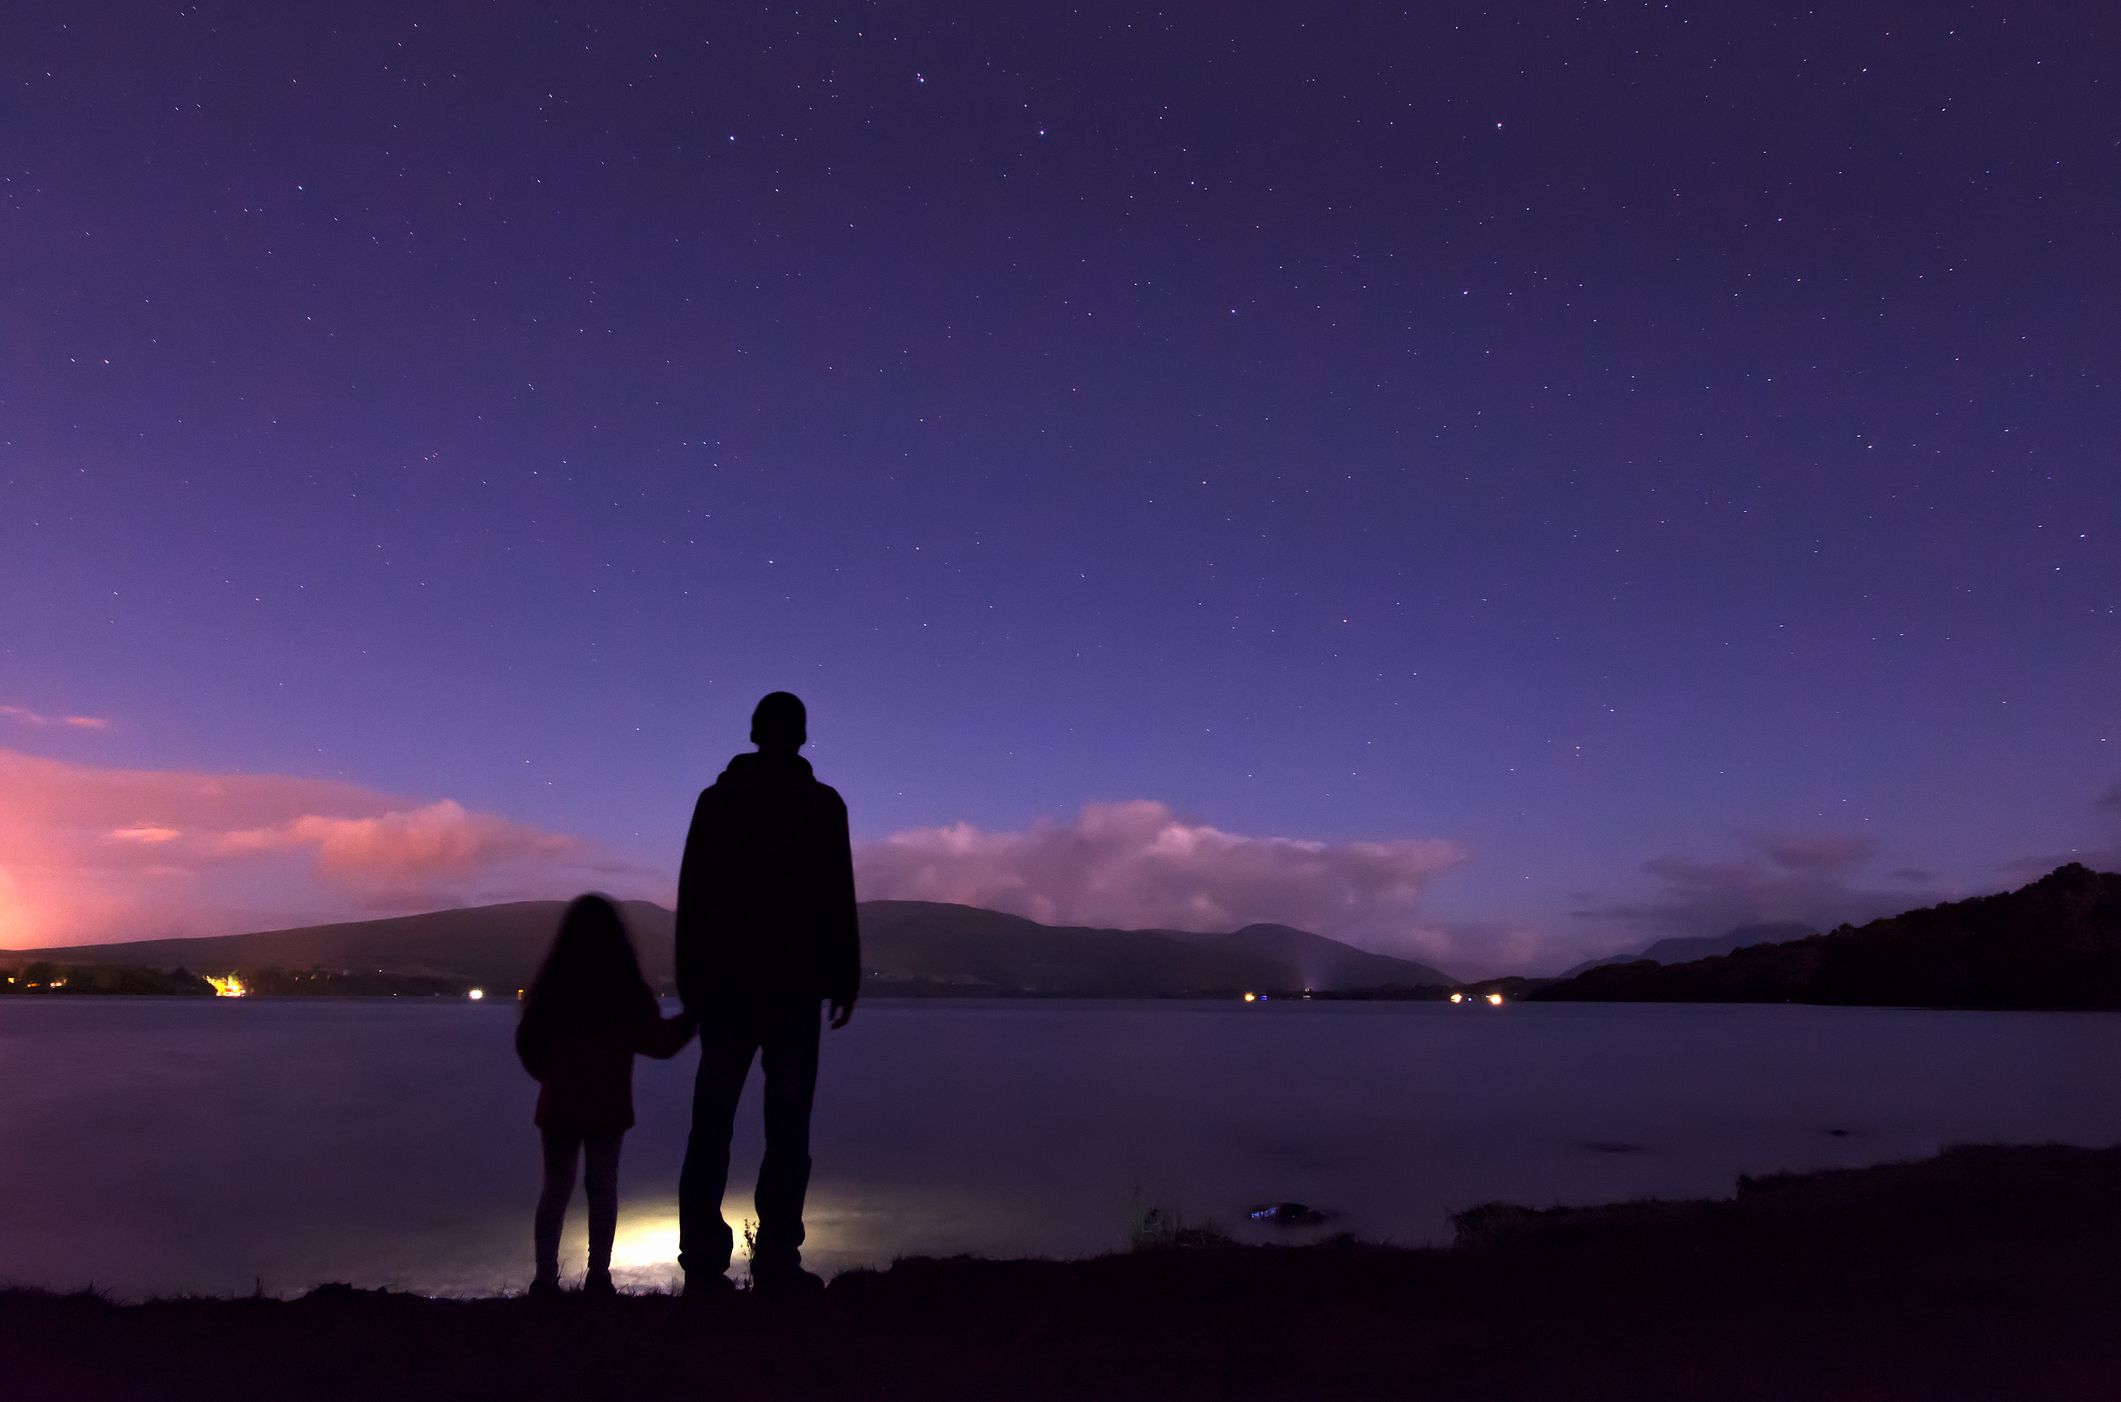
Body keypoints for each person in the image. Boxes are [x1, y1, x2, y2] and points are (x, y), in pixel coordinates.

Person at [676, 691, 859, 1295]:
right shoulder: (823, 805)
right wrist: (844, 975)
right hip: (793, 987)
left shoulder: (716, 802)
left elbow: (692, 893)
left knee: (711, 1125)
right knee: (788, 1128)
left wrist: (690, 980)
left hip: (725, 986)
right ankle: (777, 1257)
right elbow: (836, 895)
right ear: (802, 736)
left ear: (754, 731)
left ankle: (704, 1263)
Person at [515, 893, 696, 1298]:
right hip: (608, 1104)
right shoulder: (625, 990)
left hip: (559, 1104)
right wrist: (695, 1017)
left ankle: (545, 1280)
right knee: (602, 1187)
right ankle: (598, 1275)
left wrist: (550, 1076)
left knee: (555, 1189)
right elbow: (660, 1042)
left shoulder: (552, 989)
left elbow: (527, 1041)